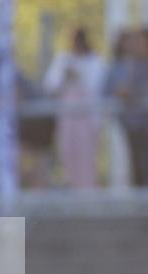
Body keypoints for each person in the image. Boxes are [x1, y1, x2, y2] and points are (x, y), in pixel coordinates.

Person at [104, 28, 148, 187]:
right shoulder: (131, 64)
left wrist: (134, 93)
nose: (136, 47)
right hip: (136, 126)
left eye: (140, 42)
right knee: (141, 169)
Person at [43, 26, 106, 189]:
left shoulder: (95, 61)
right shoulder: (63, 60)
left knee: (87, 158)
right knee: (68, 155)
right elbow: (50, 85)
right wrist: (65, 77)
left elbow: (98, 88)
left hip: (88, 118)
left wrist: (79, 76)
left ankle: (88, 193)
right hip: (67, 118)